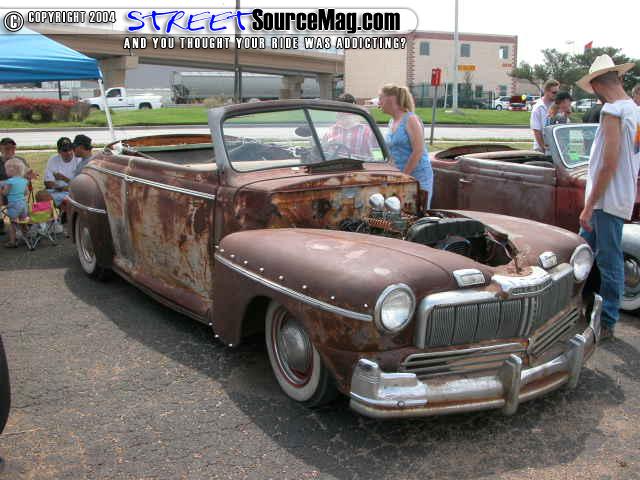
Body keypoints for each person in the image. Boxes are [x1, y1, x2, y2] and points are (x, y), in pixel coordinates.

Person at [576, 54, 640, 340]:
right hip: (620, 195)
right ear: (619, 78)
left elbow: (609, 162)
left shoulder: (612, 111)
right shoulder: (634, 111)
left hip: (606, 200)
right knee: (581, 253)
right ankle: (580, 309)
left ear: (597, 85)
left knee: (607, 260)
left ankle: (607, 321)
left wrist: (589, 205)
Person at [378, 84, 433, 210]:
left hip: (417, 178)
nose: (378, 102)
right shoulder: (392, 121)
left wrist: (404, 177)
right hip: (400, 177)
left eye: (381, 98)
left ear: (391, 99)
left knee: (417, 212)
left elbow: (418, 151)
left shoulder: (410, 119)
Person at [321, 93, 378, 160]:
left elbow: (377, 156)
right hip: (335, 165)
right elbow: (323, 153)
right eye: (339, 111)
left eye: (346, 111)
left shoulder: (367, 132)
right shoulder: (330, 131)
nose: (341, 114)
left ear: (354, 111)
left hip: (359, 166)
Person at [43, 137, 80, 208]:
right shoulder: (53, 159)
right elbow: (47, 182)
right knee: (40, 195)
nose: (69, 152)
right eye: (65, 150)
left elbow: (79, 186)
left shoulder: (78, 160)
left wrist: (64, 178)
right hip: (58, 191)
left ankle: (63, 213)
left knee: (67, 201)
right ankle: (48, 215)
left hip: (73, 192)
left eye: (70, 149)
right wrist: (56, 187)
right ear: (59, 151)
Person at [0, 158, 29, 248]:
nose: (6, 172)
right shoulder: (24, 181)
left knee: (12, 223)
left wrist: (1, 190)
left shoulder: (10, 182)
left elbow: (5, 193)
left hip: (13, 205)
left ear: (11, 170)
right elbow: (26, 193)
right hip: (23, 205)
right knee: (23, 221)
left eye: (6, 169)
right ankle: (26, 237)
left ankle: (12, 241)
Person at [530, 79, 560, 152]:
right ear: (546, 92)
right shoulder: (538, 108)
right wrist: (543, 148)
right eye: (554, 92)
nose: (556, 95)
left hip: (556, 148)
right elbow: (537, 131)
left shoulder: (557, 105)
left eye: (557, 92)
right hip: (540, 149)